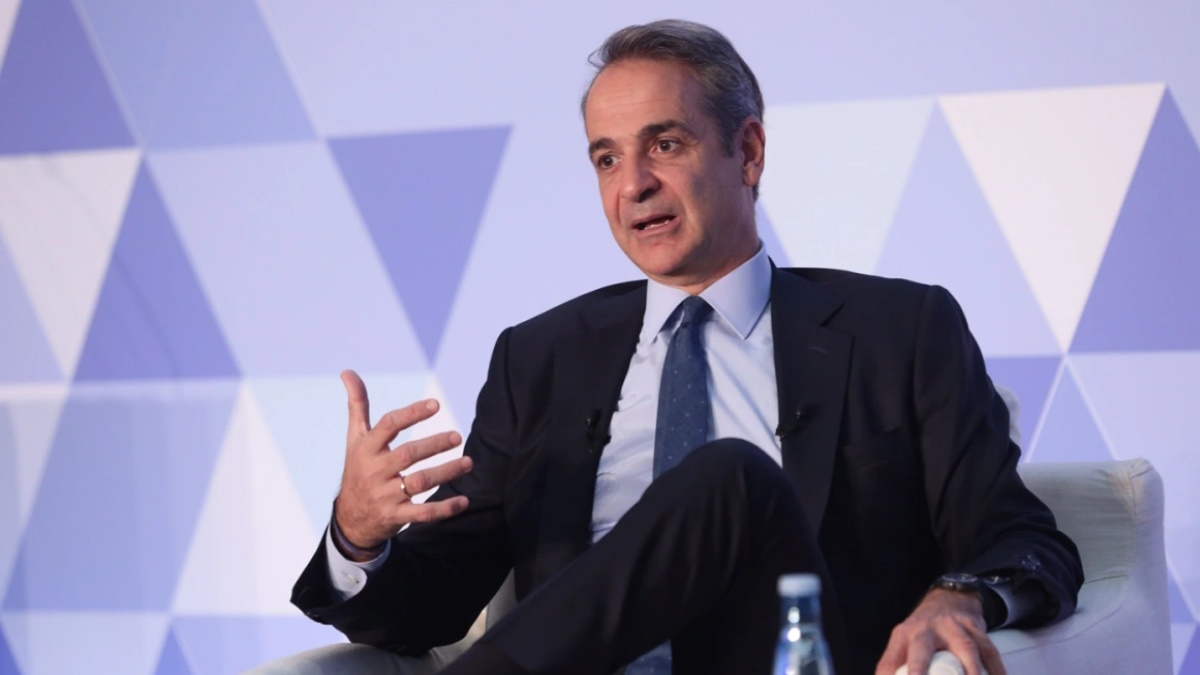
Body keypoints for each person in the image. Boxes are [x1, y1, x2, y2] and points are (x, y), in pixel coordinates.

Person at [292, 19, 1083, 675]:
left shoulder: (898, 331)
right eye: (607, 157)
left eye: (664, 145)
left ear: (749, 152)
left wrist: (958, 594)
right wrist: (357, 536)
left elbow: (1023, 538)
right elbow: (428, 610)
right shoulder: (542, 360)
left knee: (733, 478)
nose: (632, 183)